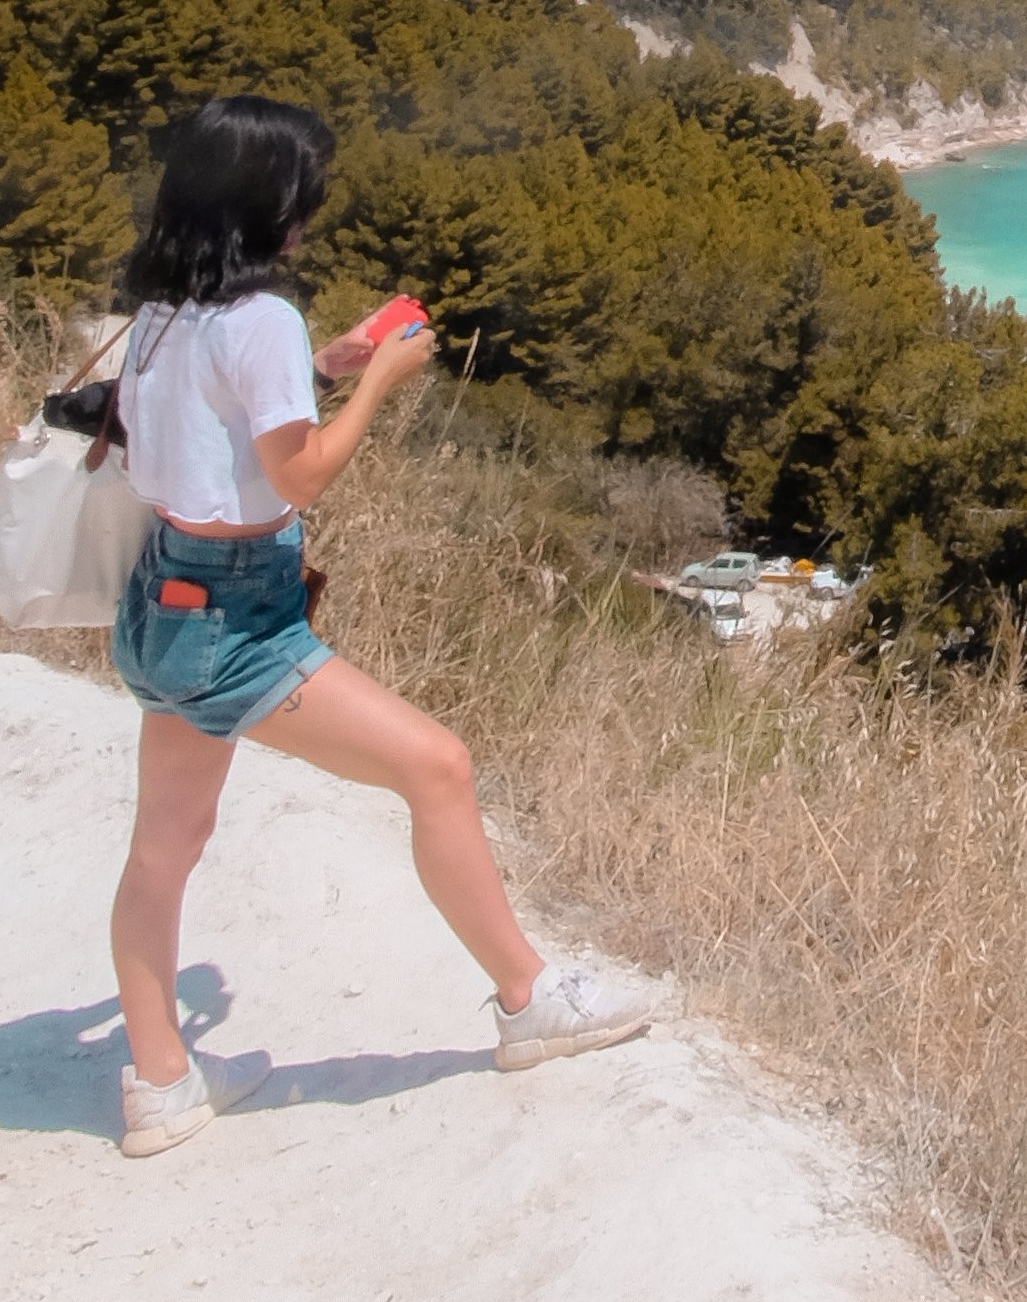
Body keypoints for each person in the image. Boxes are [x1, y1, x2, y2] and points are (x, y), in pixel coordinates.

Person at [107, 92, 648, 1157]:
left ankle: (160, 1079)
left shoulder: (162, 305)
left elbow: (205, 423)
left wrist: (327, 365)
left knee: (163, 846)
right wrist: (383, 382)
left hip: (161, 598)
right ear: (267, 205)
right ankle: (528, 999)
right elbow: (299, 469)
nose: (310, 216)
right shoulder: (262, 316)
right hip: (233, 614)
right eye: (303, 196)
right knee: (437, 766)